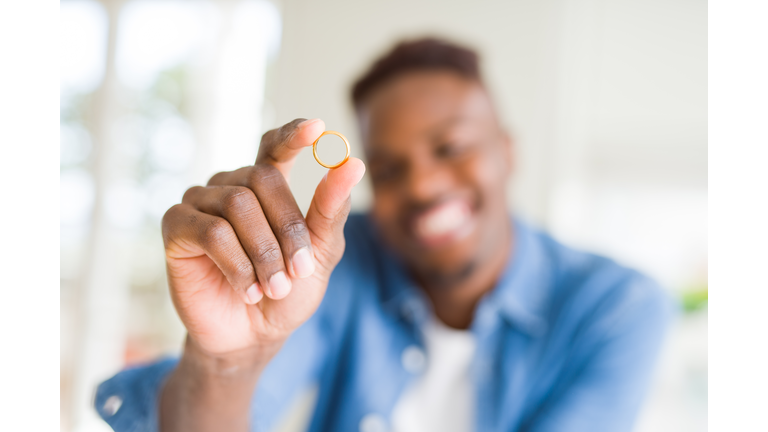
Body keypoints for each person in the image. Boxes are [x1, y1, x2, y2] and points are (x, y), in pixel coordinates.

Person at [95, 38, 674, 432]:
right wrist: (227, 362)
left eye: (451, 148)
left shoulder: (619, 306)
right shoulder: (332, 265)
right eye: (391, 168)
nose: (422, 185)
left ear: (507, 152)